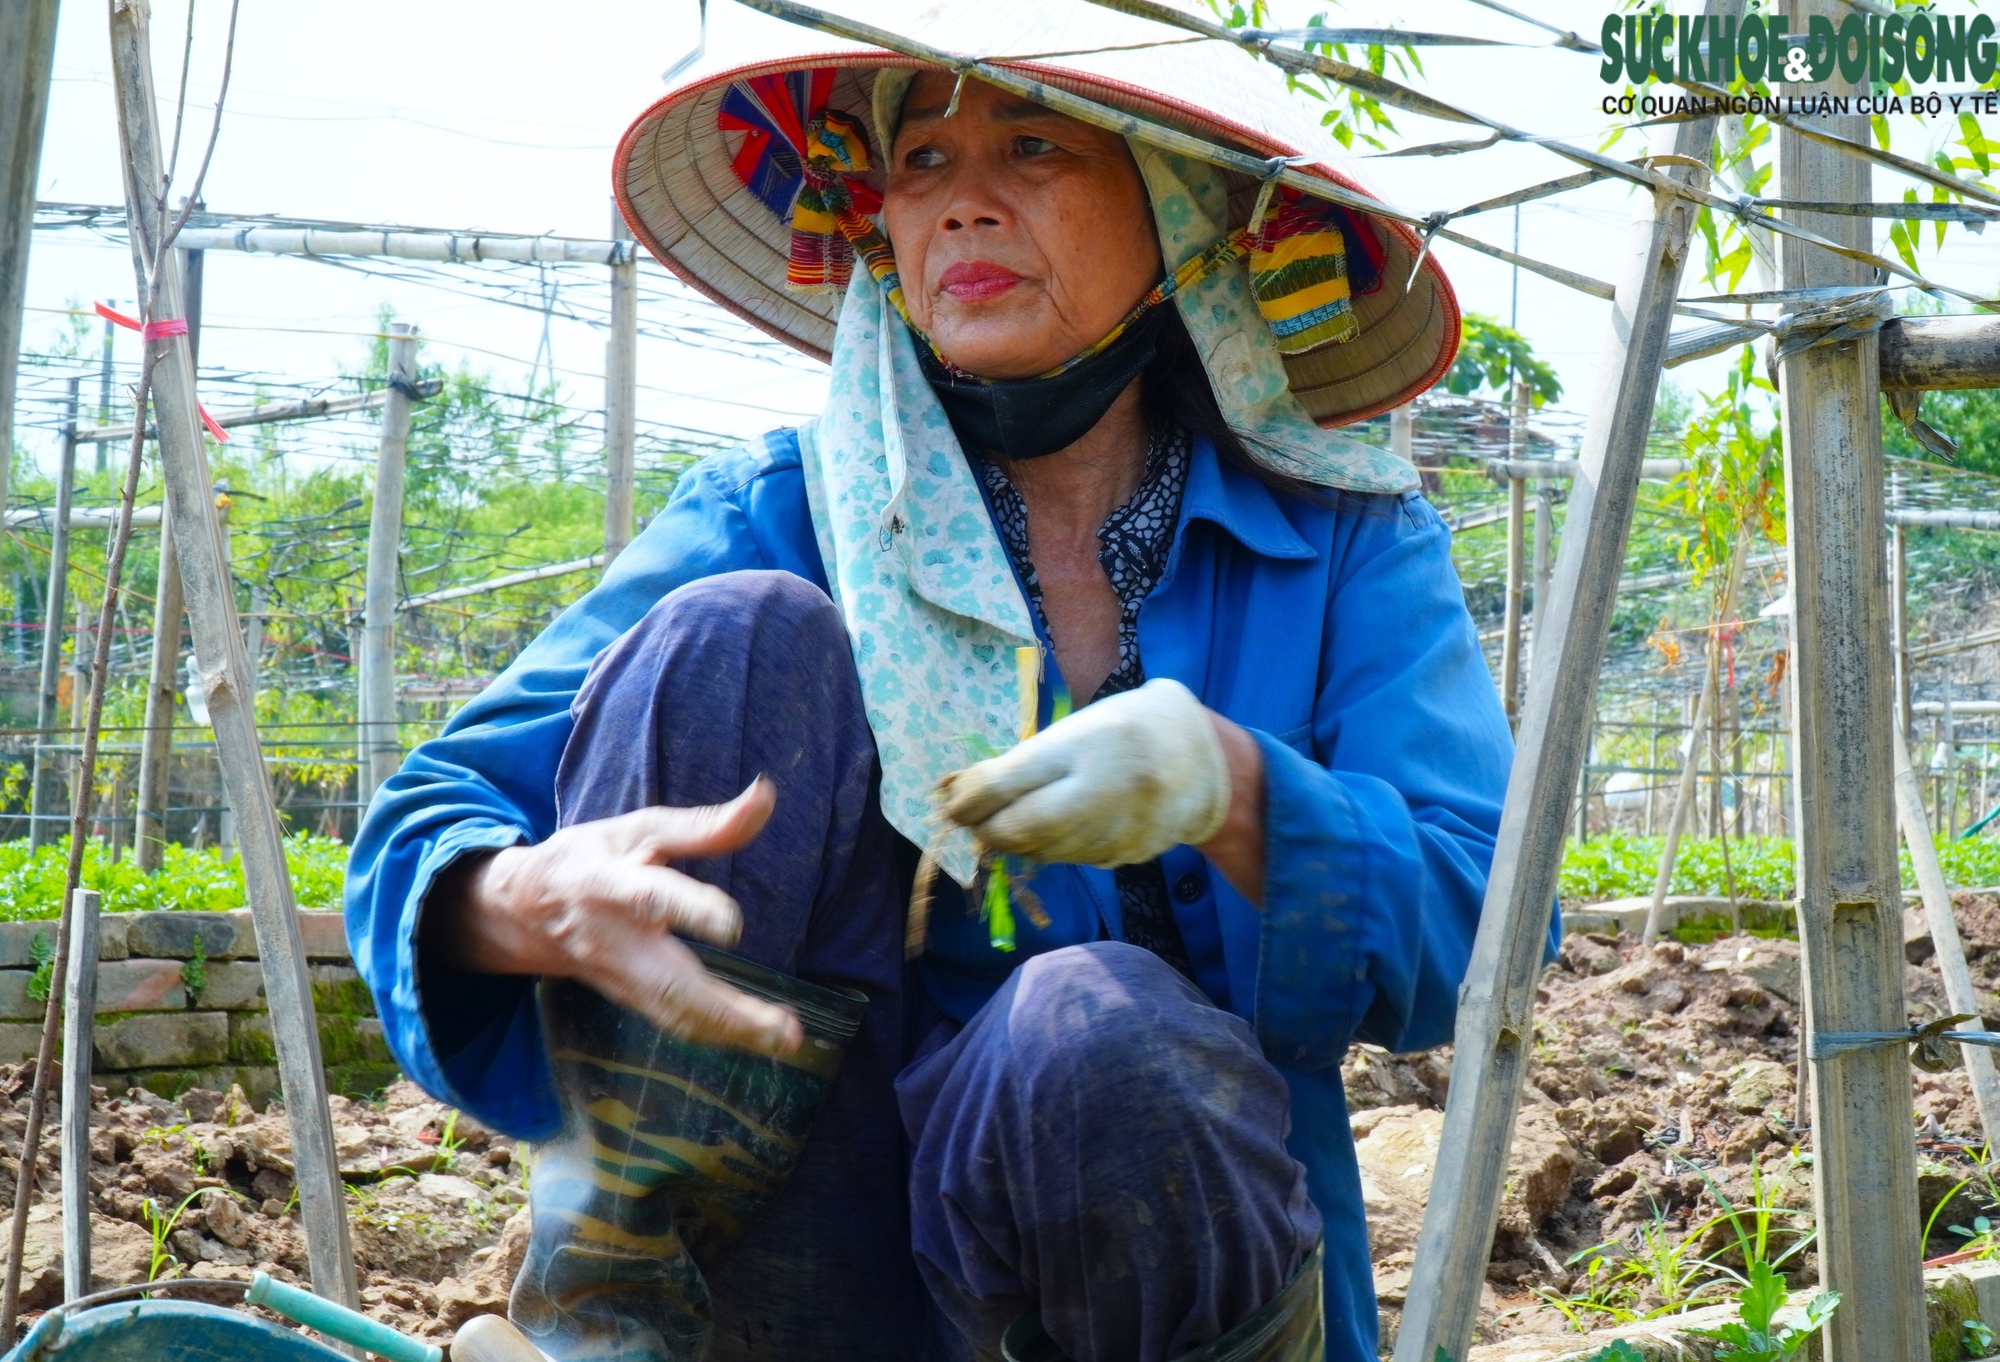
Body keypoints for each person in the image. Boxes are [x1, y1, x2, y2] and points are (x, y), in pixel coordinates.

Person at [346, 7, 1549, 1361]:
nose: (962, 207)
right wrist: (521, 895)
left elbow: (1486, 925)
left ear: (1181, 219)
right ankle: (612, 1326)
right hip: (801, 1272)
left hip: (1157, 1279)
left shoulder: (1343, 546)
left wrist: (1237, 789)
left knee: (1094, 1025)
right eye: (920, 161)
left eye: (1033, 147)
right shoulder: (780, 507)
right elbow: (427, 816)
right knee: (736, 634)